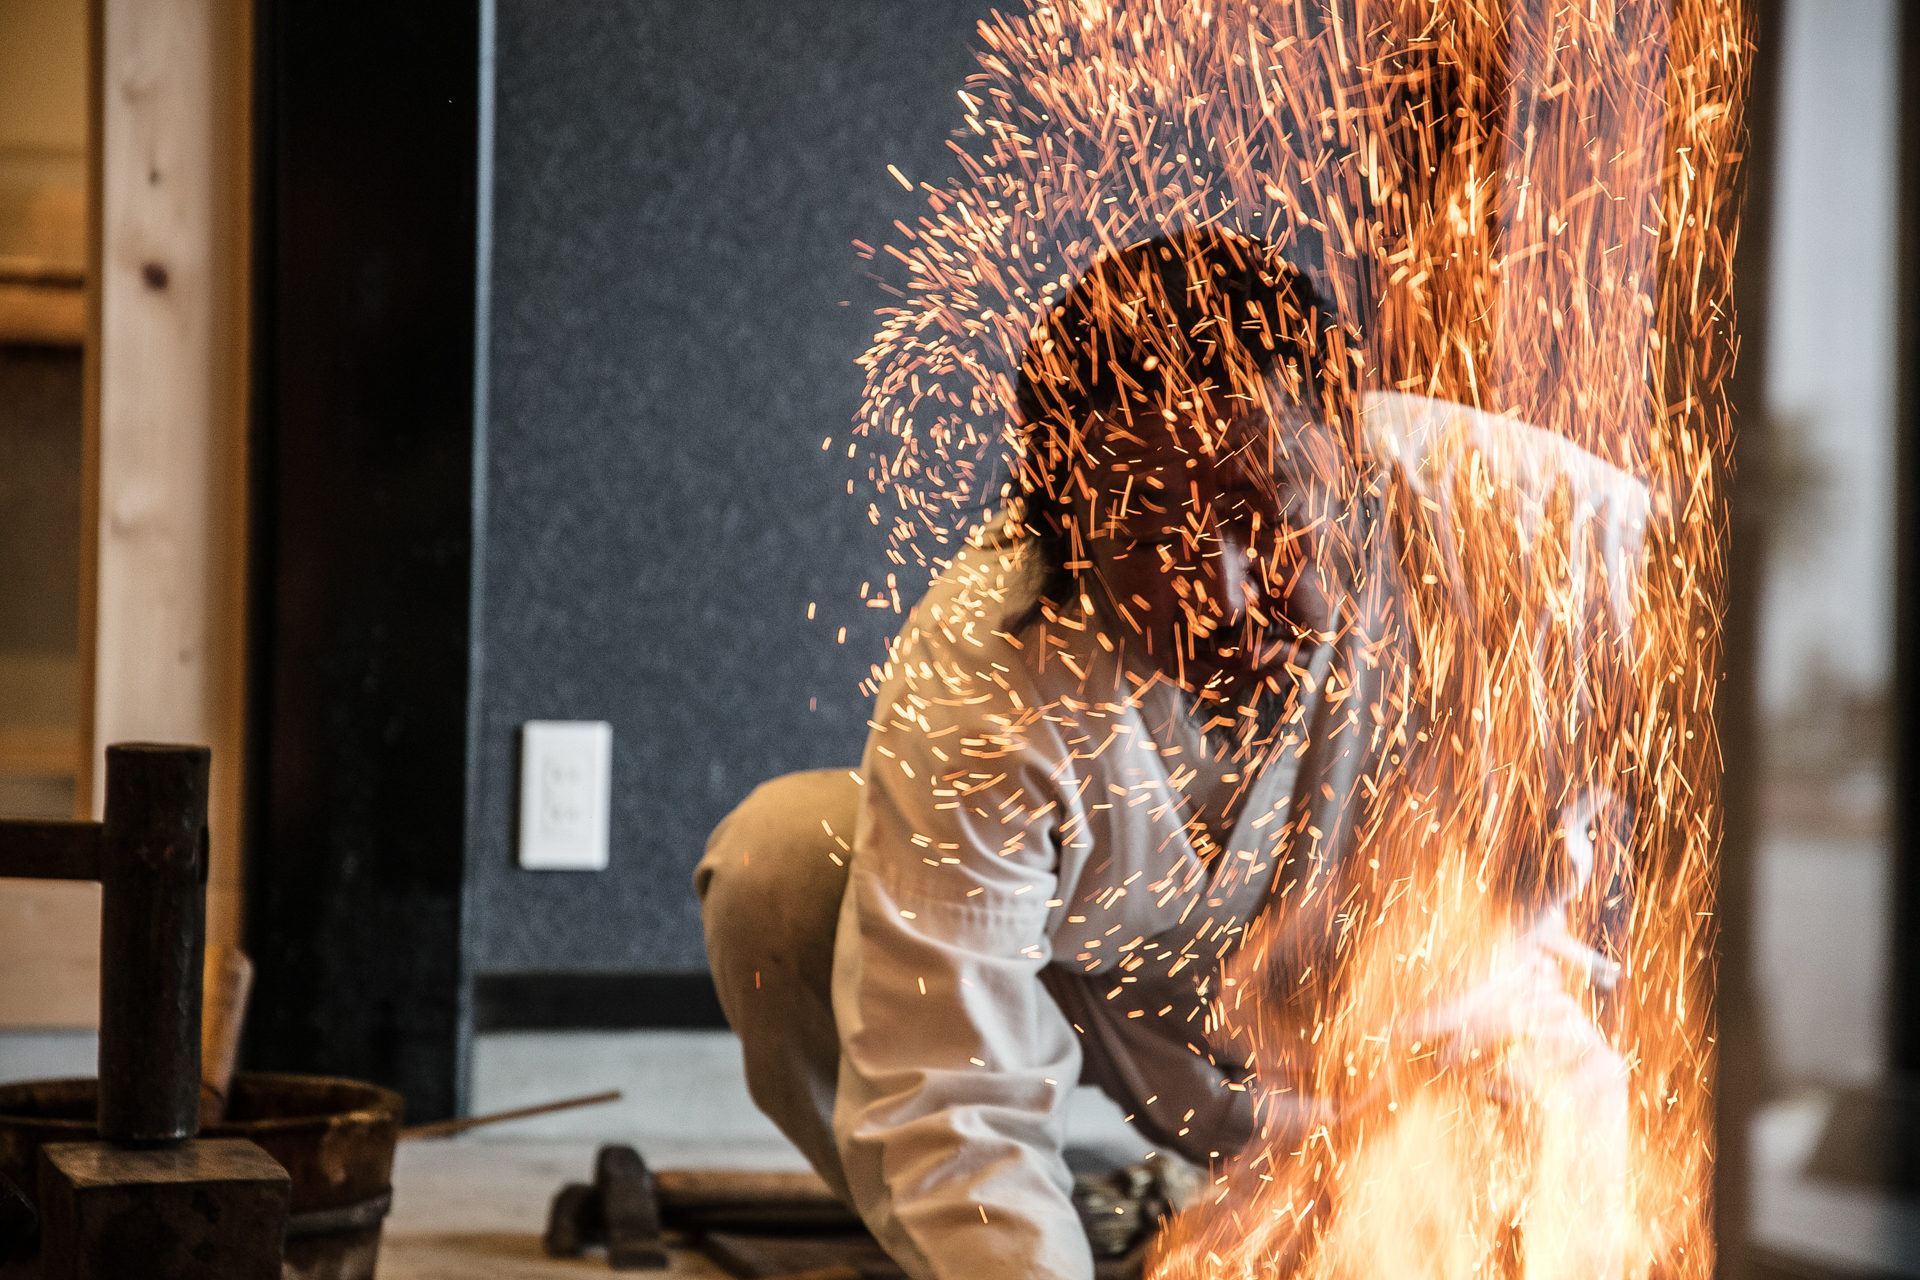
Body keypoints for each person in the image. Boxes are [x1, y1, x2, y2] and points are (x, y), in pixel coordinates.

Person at [695, 229, 1643, 1280]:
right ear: (1063, 531)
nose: (1230, 596)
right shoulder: (989, 658)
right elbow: (945, 1084)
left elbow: (1783, 710)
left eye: (1269, 510)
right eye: (1157, 540)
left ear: (1349, 453)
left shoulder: (1533, 528)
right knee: (782, 870)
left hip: (1454, 1058)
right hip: (1139, 1035)